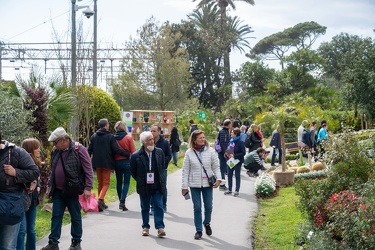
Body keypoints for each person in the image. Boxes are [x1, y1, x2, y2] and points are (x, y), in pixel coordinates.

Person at [41, 127, 94, 250]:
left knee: (75, 216)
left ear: (64, 140)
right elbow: (52, 171)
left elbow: (88, 170)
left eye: (56, 142)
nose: (54, 145)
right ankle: (53, 243)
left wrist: (88, 187)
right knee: (56, 216)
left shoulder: (78, 149)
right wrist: (49, 185)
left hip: (74, 190)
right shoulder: (55, 150)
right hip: (58, 191)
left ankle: (76, 243)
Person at [0, 131, 39, 250]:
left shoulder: (17, 152)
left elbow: (34, 172)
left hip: (10, 206)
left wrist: (16, 172)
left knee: (8, 246)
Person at [181, 130, 222, 240]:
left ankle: (207, 223)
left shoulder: (211, 151)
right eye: (200, 138)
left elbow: (216, 167)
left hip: (208, 184)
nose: (203, 139)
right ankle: (198, 230)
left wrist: (219, 179)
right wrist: (184, 187)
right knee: (197, 207)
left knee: (208, 207)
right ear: (194, 140)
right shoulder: (189, 153)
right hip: (194, 185)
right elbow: (185, 171)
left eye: (204, 137)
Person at [88, 118, 130, 211]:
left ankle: (102, 203)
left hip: (97, 162)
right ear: (106, 126)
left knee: (100, 182)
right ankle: (100, 200)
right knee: (106, 183)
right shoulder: (110, 136)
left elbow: (89, 150)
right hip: (107, 162)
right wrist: (127, 154)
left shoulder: (94, 136)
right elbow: (116, 149)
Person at [130, 131, 167, 238]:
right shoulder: (136, 155)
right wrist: (140, 179)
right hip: (144, 185)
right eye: (149, 140)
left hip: (157, 184)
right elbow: (133, 171)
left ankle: (160, 228)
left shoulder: (159, 152)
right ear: (143, 142)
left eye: (152, 139)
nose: (152, 141)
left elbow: (162, 166)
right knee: (145, 207)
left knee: (158, 206)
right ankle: (145, 227)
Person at [17, 138, 42, 250]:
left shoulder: (37, 163)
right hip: (22, 200)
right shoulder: (20, 163)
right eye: (37, 147)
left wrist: (39, 186)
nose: (39, 150)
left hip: (32, 200)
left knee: (31, 229)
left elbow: (37, 179)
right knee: (22, 230)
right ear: (30, 149)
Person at [114, 121, 136, 211]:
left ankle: (120, 200)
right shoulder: (128, 138)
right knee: (126, 182)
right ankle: (122, 201)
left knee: (119, 182)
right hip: (127, 161)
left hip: (116, 162)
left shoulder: (113, 138)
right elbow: (133, 151)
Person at [150, 124, 171, 213]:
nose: (152, 133)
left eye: (154, 131)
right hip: (150, 169)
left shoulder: (164, 142)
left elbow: (169, 155)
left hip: (162, 169)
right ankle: (153, 207)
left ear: (159, 132)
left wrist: (162, 162)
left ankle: (163, 204)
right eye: (151, 131)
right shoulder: (148, 141)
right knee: (150, 187)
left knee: (162, 187)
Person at [224, 128, 246, 197]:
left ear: (236, 134)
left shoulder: (240, 142)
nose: (231, 133)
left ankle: (237, 190)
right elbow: (228, 149)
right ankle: (230, 189)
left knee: (237, 175)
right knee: (229, 174)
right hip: (231, 161)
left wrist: (234, 155)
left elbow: (243, 152)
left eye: (232, 132)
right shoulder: (231, 141)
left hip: (237, 161)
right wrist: (226, 154)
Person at [217, 119, 232, 190]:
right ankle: (221, 185)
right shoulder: (223, 132)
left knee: (224, 168)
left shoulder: (226, 131)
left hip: (225, 153)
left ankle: (222, 184)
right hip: (223, 153)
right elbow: (223, 144)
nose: (231, 125)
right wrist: (226, 153)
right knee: (222, 169)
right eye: (230, 124)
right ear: (228, 125)